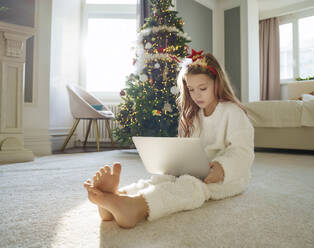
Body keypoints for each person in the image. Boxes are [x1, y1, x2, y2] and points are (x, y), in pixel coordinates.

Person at [83, 50, 255, 228]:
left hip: (228, 177)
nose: (196, 95)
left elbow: (243, 151)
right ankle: (118, 197)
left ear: (217, 84)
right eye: (191, 90)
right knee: (161, 180)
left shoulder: (232, 112)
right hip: (196, 170)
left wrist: (222, 167)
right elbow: (185, 148)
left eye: (203, 88)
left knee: (190, 188)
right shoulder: (193, 115)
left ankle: (135, 207)